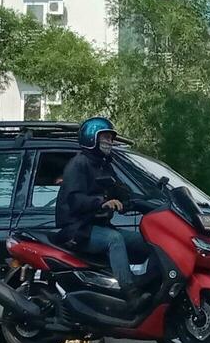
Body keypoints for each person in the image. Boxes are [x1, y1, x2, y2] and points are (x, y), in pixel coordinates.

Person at [55, 117, 148, 296]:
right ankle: (129, 292)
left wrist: (141, 200)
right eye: (104, 137)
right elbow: (75, 199)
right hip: (78, 229)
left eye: (110, 138)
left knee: (145, 241)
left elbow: (118, 189)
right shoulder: (78, 164)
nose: (109, 141)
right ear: (91, 138)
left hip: (99, 226)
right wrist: (102, 202)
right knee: (115, 240)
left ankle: (149, 284)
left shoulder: (104, 165)